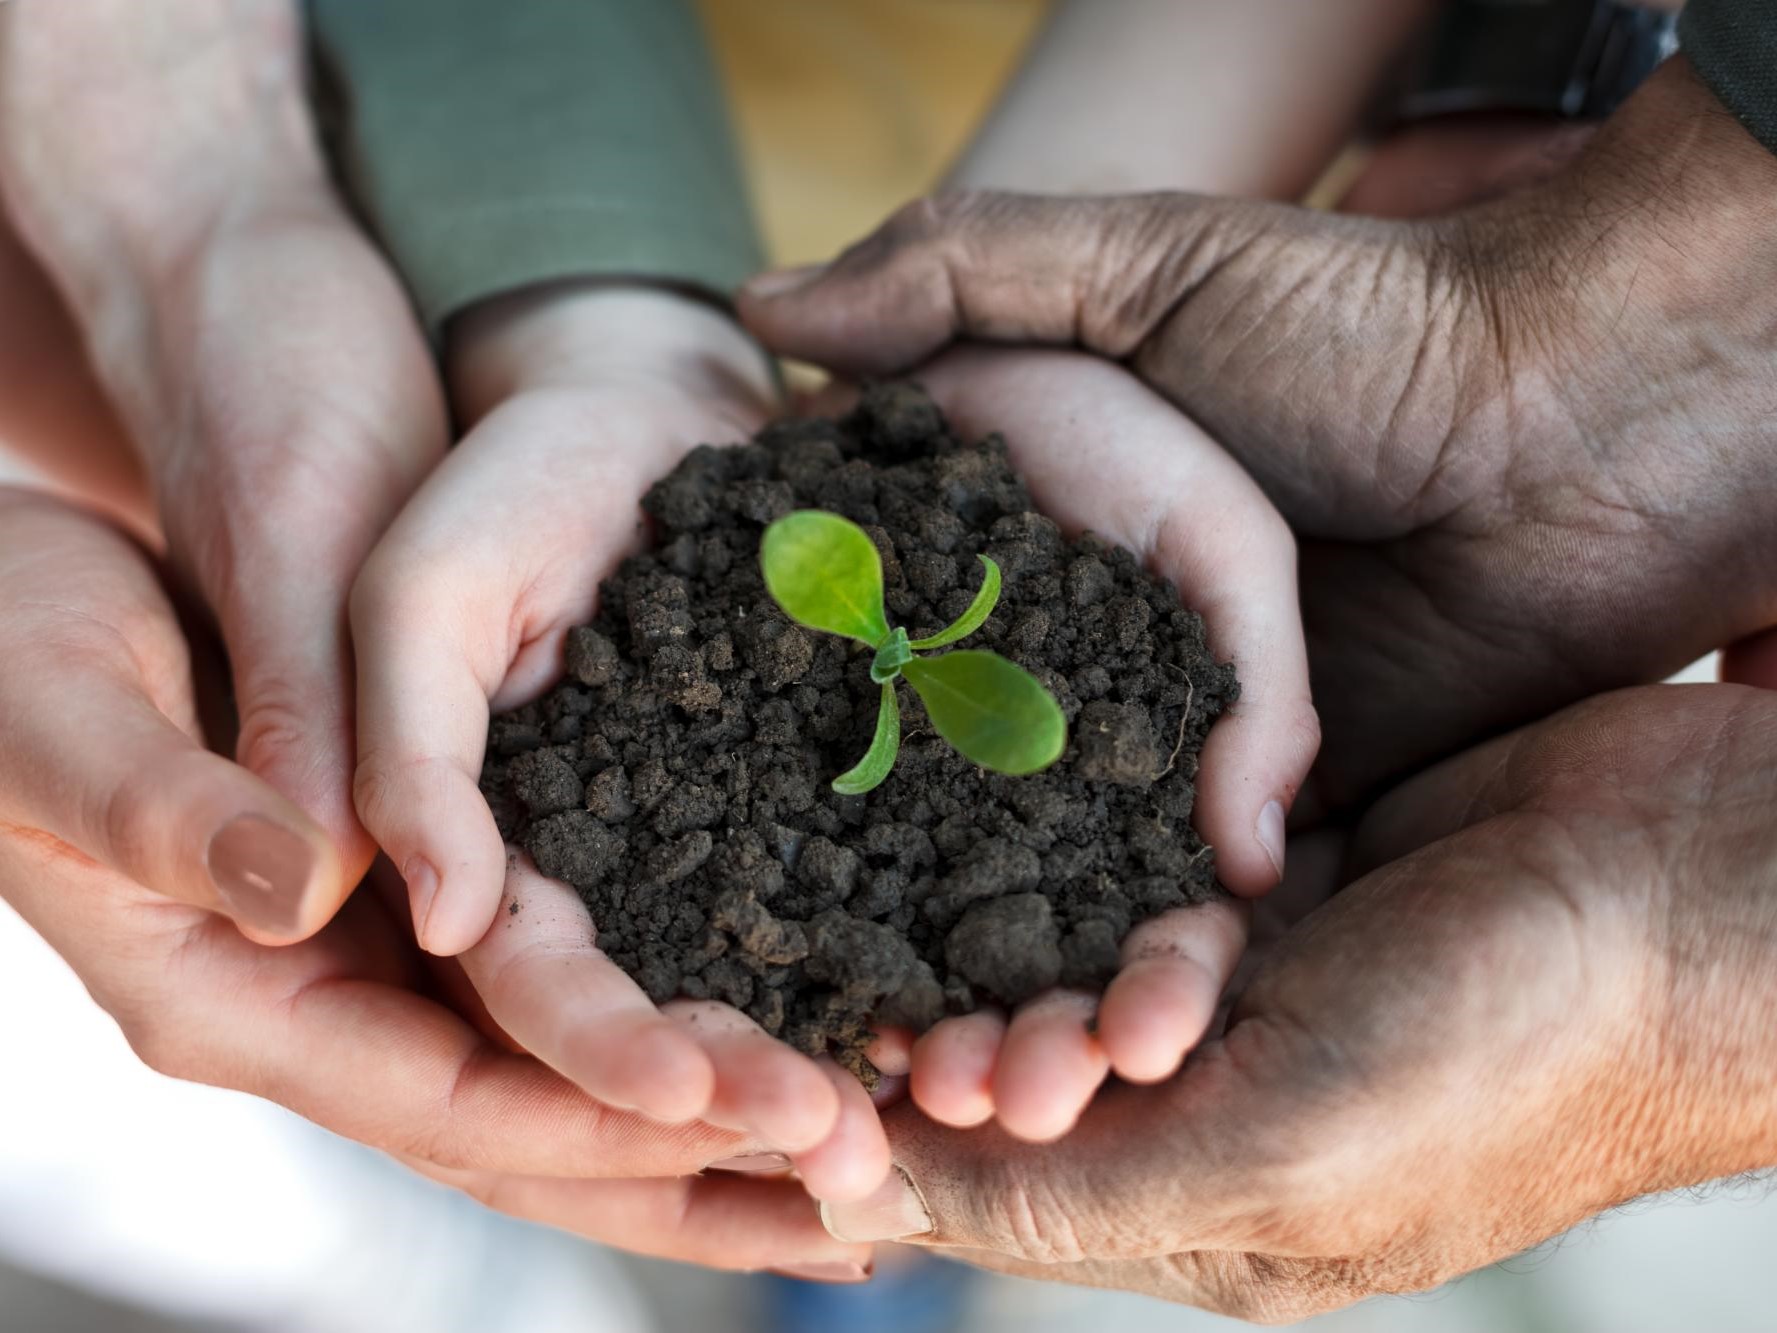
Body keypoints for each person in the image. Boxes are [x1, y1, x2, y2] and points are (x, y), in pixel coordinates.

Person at [735, 9, 1777, 1318]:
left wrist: (1713, 969)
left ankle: (863, 1248)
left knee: (877, 1117)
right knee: (848, 1110)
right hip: (930, 135)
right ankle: (847, 1235)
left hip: (1086, 128)